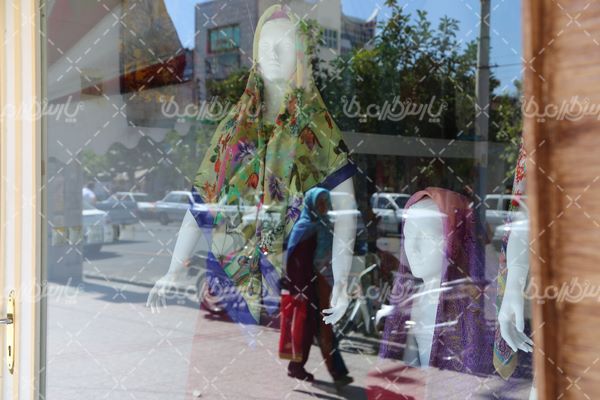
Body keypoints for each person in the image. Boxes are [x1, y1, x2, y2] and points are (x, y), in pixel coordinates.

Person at [279, 187, 354, 388]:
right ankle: (329, 371)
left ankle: (313, 368)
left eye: (325, 203)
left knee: (318, 328)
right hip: (306, 288)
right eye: (319, 203)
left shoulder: (323, 225)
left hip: (320, 286)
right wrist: (299, 289)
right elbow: (294, 262)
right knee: (314, 329)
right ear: (311, 203)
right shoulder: (304, 228)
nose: (323, 207)